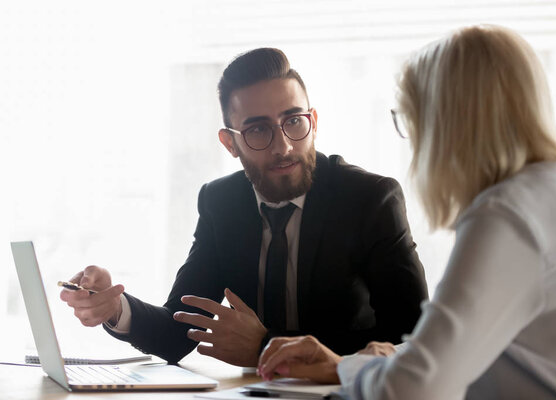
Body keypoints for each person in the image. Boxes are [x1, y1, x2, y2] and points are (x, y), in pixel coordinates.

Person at [257, 25, 556, 399]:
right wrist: (343, 366)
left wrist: (358, 373)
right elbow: (459, 357)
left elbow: (414, 389)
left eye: (412, 118)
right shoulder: (554, 203)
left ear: (447, 125)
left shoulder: (508, 218)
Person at [59, 48, 428, 368]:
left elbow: (414, 339)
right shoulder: (221, 203)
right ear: (230, 143)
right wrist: (115, 307)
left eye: (294, 121)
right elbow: (179, 330)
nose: (282, 146)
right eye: (257, 130)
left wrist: (266, 346)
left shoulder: (371, 198)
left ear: (313, 123)